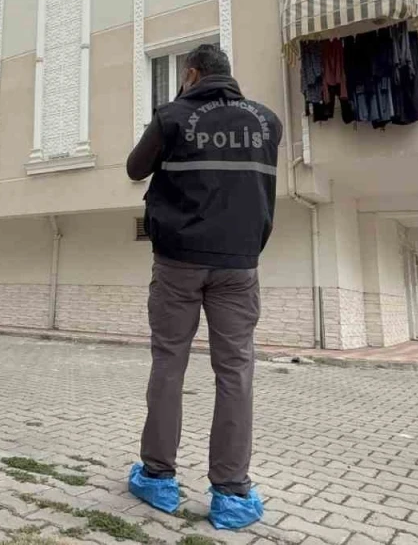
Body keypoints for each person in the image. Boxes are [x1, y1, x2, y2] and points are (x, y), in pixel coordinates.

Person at [124, 43, 282, 530]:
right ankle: (232, 493)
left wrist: (176, 114)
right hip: (239, 263)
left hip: (178, 262)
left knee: (169, 363)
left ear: (191, 74)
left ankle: (157, 477)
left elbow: (134, 168)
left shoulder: (173, 116)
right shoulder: (267, 121)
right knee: (235, 371)